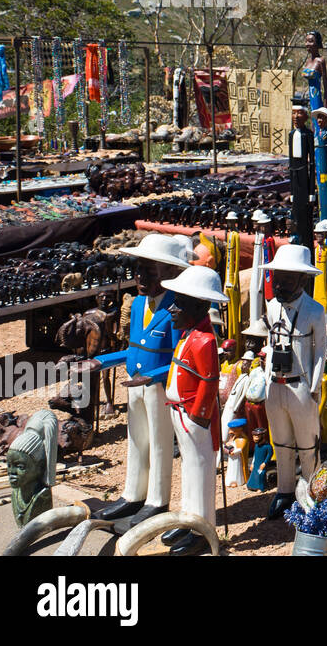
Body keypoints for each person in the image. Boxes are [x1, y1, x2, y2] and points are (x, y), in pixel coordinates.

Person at [95, 233, 193, 526]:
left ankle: (156, 500)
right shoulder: (138, 304)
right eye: (138, 268)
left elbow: (181, 357)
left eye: (150, 270)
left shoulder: (178, 307)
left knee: (160, 443)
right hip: (134, 383)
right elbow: (133, 349)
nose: (139, 275)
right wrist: (99, 362)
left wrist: (152, 376)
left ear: (171, 272)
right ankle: (132, 494)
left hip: (158, 386)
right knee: (136, 440)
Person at [255, 244, 327, 519]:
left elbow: (320, 350)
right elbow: (271, 344)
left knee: (308, 445)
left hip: (301, 386)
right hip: (275, 385)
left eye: (287, 277)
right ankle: (284, 491)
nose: (280, 283)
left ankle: (310, 491)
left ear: (302, 279)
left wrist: (314, 386)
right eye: (277, 277)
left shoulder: (314, 311)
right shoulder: (272, 307)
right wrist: (265, 378)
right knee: (281, 442)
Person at [158, 265, 227, 556]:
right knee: (188, 468)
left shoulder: (205, 340)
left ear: (198, 305)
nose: (172, 308)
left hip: (194, 417)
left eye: (180, 303)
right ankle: (188, 521)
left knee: (200, 472)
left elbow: (210, 381)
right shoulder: (189, 334)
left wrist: (199, 413)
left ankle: (202, 529)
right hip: (181, 413)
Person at [290, 105, 315, 248]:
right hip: (295, 177)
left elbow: (312, 163)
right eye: (293, 113)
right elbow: (290, 164)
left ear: (305, 116)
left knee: (306, 218)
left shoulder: (308, 135)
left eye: (299, 113)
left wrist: (311, 191)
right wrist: (292, 191)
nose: (295, 116)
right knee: (297, 216)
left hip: (305, 177)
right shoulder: (291, 135)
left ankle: (307, 244)